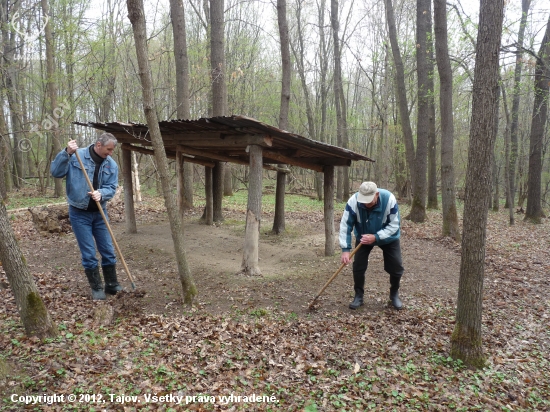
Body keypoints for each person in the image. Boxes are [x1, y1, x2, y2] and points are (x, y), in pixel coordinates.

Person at [51, 133, 122, 300]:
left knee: (108, 250)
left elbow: (111, 187)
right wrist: (66, 152)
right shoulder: (77, 156)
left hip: (100, 213)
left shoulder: (111, 165)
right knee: (89, 253)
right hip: (79, 213)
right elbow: (56, 172)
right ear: (98, 145)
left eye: (112, 150)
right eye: (108, 149)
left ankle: (111, 284)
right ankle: (97, 287)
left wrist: (101, 193)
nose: (110, 153)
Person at [339, 181, 404, 310]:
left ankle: (394, 294)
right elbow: (345, 225)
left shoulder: (389, 199)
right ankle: (358, 295)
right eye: (363, 200)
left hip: (388, 237)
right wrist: (345, 249)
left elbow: (394, 225)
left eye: (369, 200)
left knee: (396, 266)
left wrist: (376, 237)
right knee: (358, 266)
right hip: (363, 236)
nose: (366, 204)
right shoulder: (353, 201)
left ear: (377, 194)